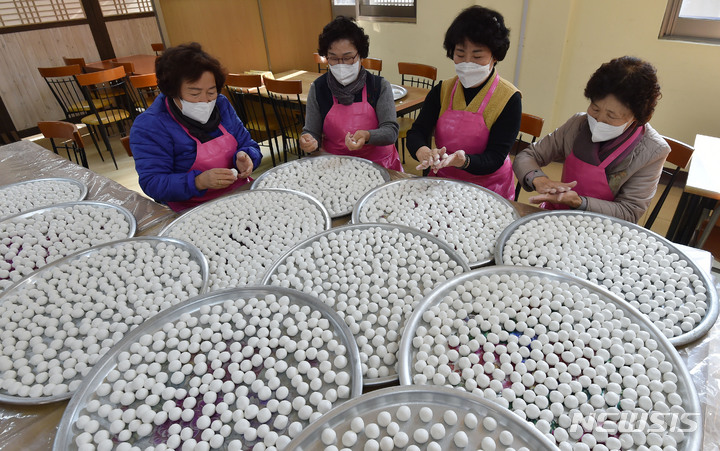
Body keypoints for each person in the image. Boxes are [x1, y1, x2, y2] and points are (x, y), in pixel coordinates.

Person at [513, 56, 670, 223]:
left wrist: (579, 202)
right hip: (557, 215)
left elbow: (629, 211)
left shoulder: (653, 151)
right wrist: (538, 179)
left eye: (611, 116)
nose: (599, 120)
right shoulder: (577, 125)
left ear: (637, 117)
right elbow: (527, 156)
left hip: (603, 227)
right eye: (595, 109)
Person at [130, 42, 262, 211]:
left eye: (211, 92)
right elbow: (153, 183)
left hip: (240, 194)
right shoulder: (151, 125)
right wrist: (198, 182)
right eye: (195, 93)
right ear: (172, 91)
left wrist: (248, 156)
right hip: (193, 209)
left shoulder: (221, 105)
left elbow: (249, 144)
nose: (205, 101)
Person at [406, 6, 522, 199]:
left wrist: (464, 161)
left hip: (489, 188)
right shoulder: (443, 90)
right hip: (444, 183)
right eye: (460, 54)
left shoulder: (508, 98)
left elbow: (495, 157)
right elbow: (416, 132)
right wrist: (422, 150)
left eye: (477, 56)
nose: (467, 63)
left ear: (494, 56)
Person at [299, 16, 402, 171]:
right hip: (335, 166)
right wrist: (308, 141)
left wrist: (367, 136)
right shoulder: (319, 88)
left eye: (348, 58)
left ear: (360, 55)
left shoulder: (378, 86)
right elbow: (311, 131)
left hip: (378, 165)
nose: (341, 64)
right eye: (333, 58)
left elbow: (390, 132)